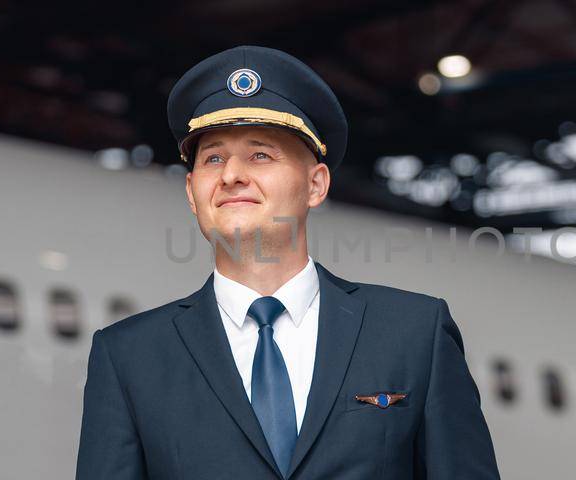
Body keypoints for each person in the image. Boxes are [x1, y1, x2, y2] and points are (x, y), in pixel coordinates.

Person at [75, 45, 500, 480]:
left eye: (260, 155)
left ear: (316, 184)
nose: (230, 175)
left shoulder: (412, 334)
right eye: (213, 158)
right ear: (191, 191)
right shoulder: (130, 357)